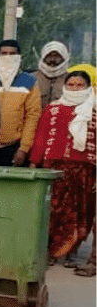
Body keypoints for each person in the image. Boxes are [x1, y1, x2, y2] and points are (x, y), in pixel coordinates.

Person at [28, 71, 95, 273]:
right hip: (54, 167)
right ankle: (50, 251)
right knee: (53, 211)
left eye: (79, 85)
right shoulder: (53, 108)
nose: (74, 88)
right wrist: (34, 162)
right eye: (71, 84)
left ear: (88, 87)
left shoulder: (93, 109)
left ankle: (72, 252)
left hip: (84, 169)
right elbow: (41, 136)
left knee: (81, 212)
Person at [0, 39, 42, 167]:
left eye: (12, 54)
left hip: (12, 147)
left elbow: (32, 117)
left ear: (19, 58)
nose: (8, 57)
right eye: (4, 53)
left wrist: (24, 148)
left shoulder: (29, 82)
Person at [33, 41, 71, 107]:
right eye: (49, 56)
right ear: (43, 57)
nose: (52, 60)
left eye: (57, 57)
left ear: (64, 58)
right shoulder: (32, 77)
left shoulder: (70, 79)